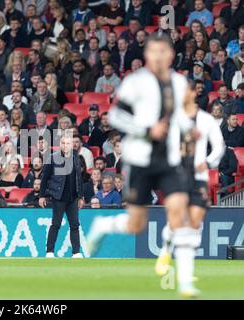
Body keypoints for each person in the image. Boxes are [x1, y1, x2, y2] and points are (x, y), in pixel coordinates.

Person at [86, 34, 200, 297]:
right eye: (153, 51)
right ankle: (103, 225)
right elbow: (115, 115)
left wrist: (190, 130)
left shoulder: (179, 82)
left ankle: (185, 283)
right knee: (136, 224)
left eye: (163, 51)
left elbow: (180, 117)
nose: (158, 56)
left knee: (179, 212)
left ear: (171, 55)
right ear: (147, 55)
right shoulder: (134, 83)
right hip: (139, 160)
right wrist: (147, 129)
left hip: (169, 160)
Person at [155, 80, 225, 278]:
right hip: (178, 175)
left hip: (199, 176)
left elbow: (219, 146)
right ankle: (166, 252)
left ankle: (186, 269)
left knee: (195, 222)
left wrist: (209, 162)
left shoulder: (206, 120)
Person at [39, 133, 84, 258]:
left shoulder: (76, 158)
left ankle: (76, 252)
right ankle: (49, 251)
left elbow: (79, 178)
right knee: (56, 224)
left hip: (73, 198)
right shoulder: (52, 158)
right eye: (63, 143)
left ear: (72, 145)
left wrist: (81, 196)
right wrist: (42, 196)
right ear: (60, 144)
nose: (65, 145)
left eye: (68, 143)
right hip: (58, 197)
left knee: (75, 225)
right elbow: (45, 178)